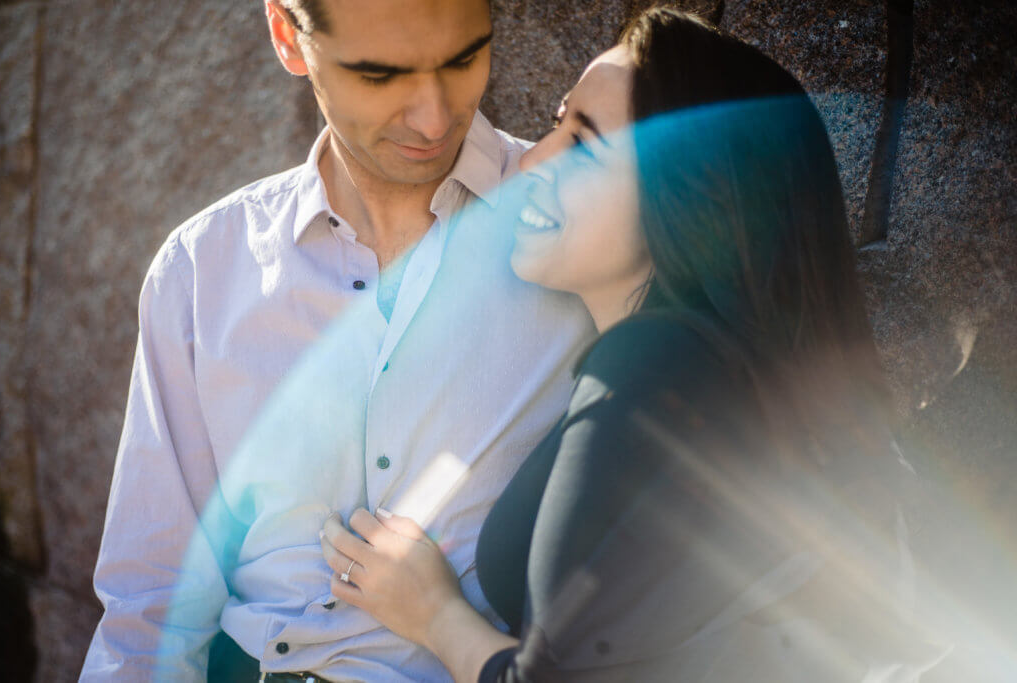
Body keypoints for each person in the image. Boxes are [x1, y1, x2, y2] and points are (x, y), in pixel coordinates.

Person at [319, 8, 945, 682]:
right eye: (554, 125)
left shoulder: (658, 360)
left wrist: (434, 611)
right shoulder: (728, 380)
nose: (532, 159)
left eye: (583, 142)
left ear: (691, 192)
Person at [80, 0, 593, 680]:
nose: (434, 119)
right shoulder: (201, 270)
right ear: (288, 37)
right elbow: (151, 603)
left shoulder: (585, 227)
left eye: (463, 60)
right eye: (380, 75)